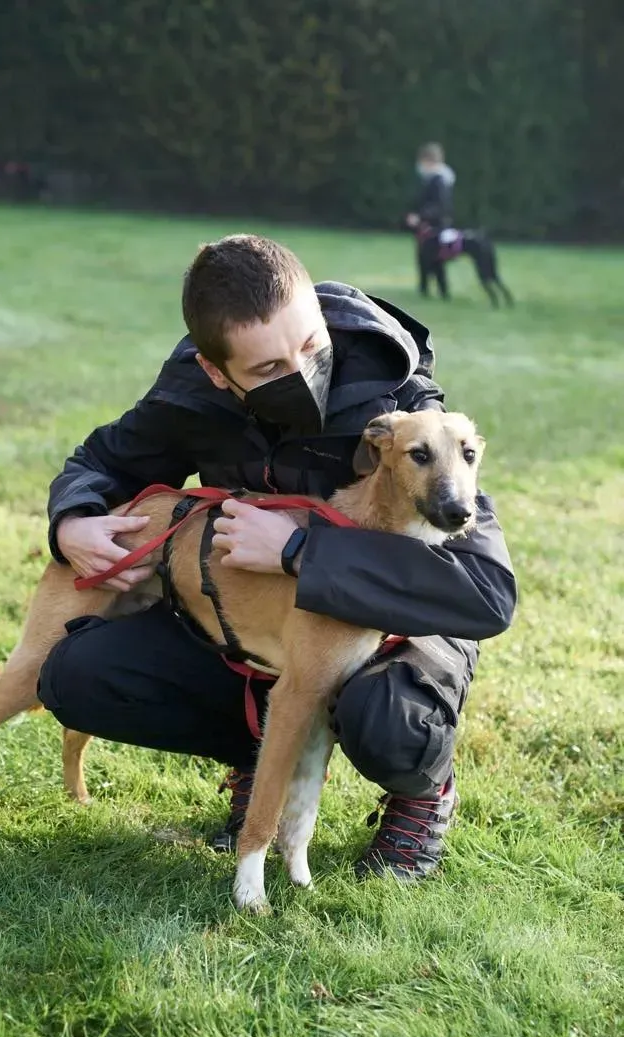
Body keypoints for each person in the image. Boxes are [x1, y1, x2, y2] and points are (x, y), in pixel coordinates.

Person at [37, 235, 516, 880]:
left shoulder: (403, 405)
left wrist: (299, 551)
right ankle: (260, 762)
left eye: (312, 345)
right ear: (218, 372)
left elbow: (484, 591)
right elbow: (101, 463)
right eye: (266, 370)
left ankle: (421, 794)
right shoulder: (191, 397)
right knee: (78, 673)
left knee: (388, 720)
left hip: (400, 617)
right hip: (271, 630)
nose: (298, 372)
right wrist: (71, 522)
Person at [406, 142, 460, 298]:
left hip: (435, 228)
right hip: (430, 226)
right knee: (431, 259)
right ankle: (432, 290)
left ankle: (435, 290)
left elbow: (440, 206)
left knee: (433, 259)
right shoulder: (433, 179)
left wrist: (420, 217)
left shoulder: (439, 180)